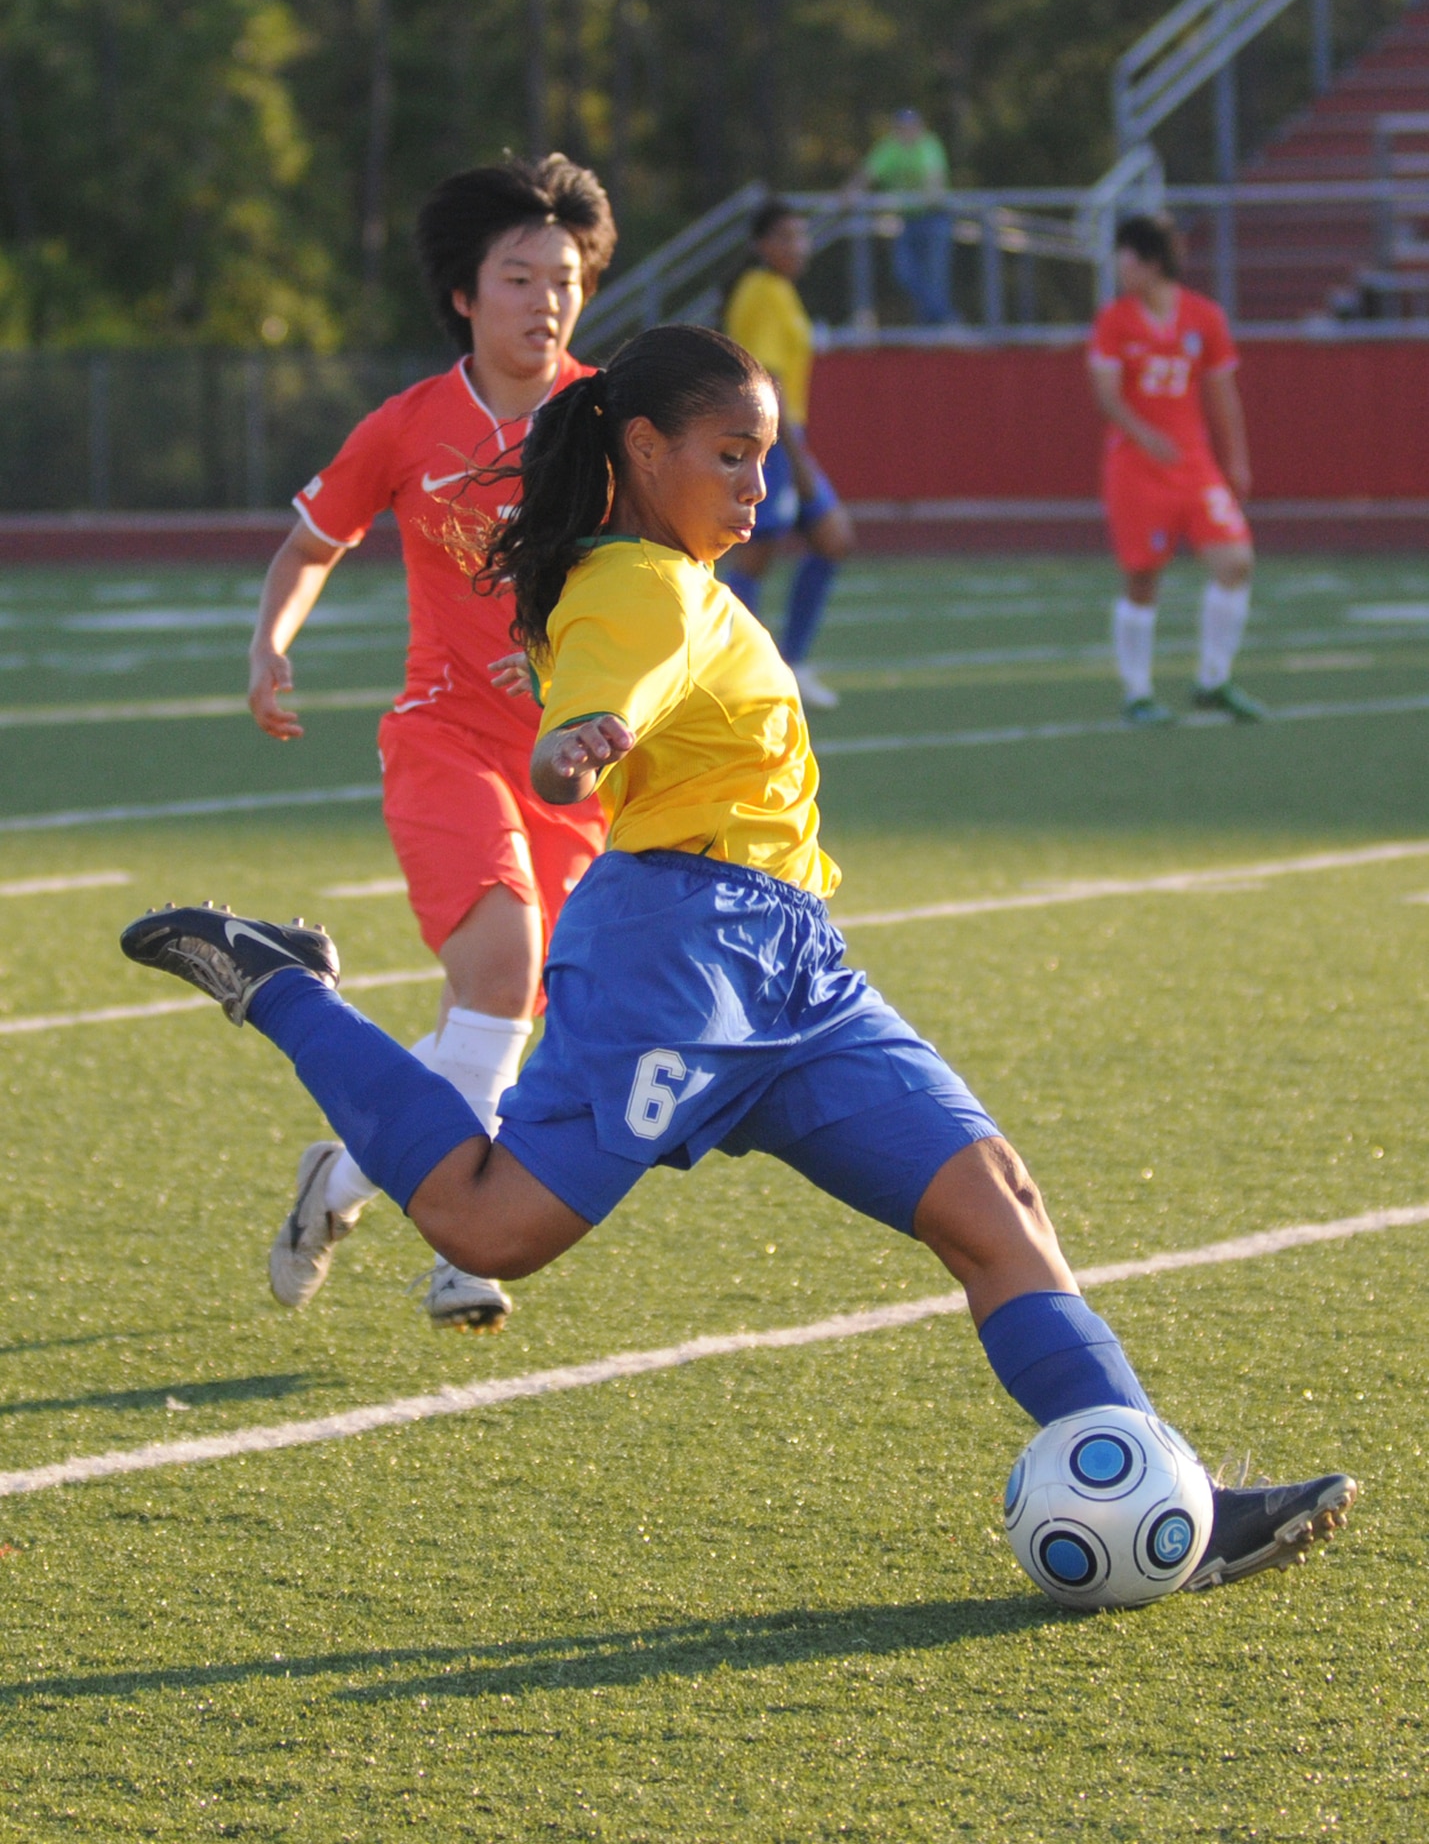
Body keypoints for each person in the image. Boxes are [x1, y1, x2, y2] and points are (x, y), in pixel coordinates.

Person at [126, 322, 1354, 1597]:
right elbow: (601, 704)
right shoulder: (634, 588)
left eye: (764, 457)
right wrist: (573, 744)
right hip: (681, 956)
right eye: (730, 455)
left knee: (995, 1203)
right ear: (642, 449)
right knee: (488, 1227)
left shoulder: (670, 577)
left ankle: (1178, 1498)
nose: (757, 486)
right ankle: (279, 982)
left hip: (799, 967)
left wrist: (580, 719)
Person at [244, 154, 616, 1331]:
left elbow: (667, 584)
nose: (544, 299)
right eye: (519, 276)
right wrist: (270, 649)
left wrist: (568, 662)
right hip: (444, 739)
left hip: (573, 760)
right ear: (467, 291)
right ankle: (465, 1241)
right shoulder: (409, 424)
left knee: (514, 1015)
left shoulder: (613, 421)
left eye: (564, 278)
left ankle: (343, 1177)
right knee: (502, 970)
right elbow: (312, 543)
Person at [1089, 215, 1263, 726]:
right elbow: (1106, 393)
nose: (1120, 266)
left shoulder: (1204, 318)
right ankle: (1137, 693)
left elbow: (1222, 394)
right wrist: (1144, 435)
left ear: (1152, 262)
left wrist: (1237, 459)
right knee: (1142, 578)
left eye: (1127, 256)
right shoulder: (1114, 321)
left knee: (1236, 561)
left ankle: (1213, 678)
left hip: (1193, 465)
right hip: (1135, 467)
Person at [722, 199, 855, 709]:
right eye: (785, 237)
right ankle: (736, 673)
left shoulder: (777, 291)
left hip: (784, 438)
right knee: (754, 558)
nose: (797, 247)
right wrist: (794, 461)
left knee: (834, 538)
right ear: (761, 245)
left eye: (802, 237)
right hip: (770, 440)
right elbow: (766, 381)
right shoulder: (763, 292)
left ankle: (792, 664)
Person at [852, 108, 953, 326]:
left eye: (911, 126)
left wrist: (930, 193)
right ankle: (944, 321)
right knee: (904, 274)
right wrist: (848, 194)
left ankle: (936, 327)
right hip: (908, 221)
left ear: (920, 127)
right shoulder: (890, 147)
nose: (906, 132)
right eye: (902, 127)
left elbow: (934, 179)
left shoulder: (928, 144)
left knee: (935, 277)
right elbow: (866, 174)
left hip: (934, 219)